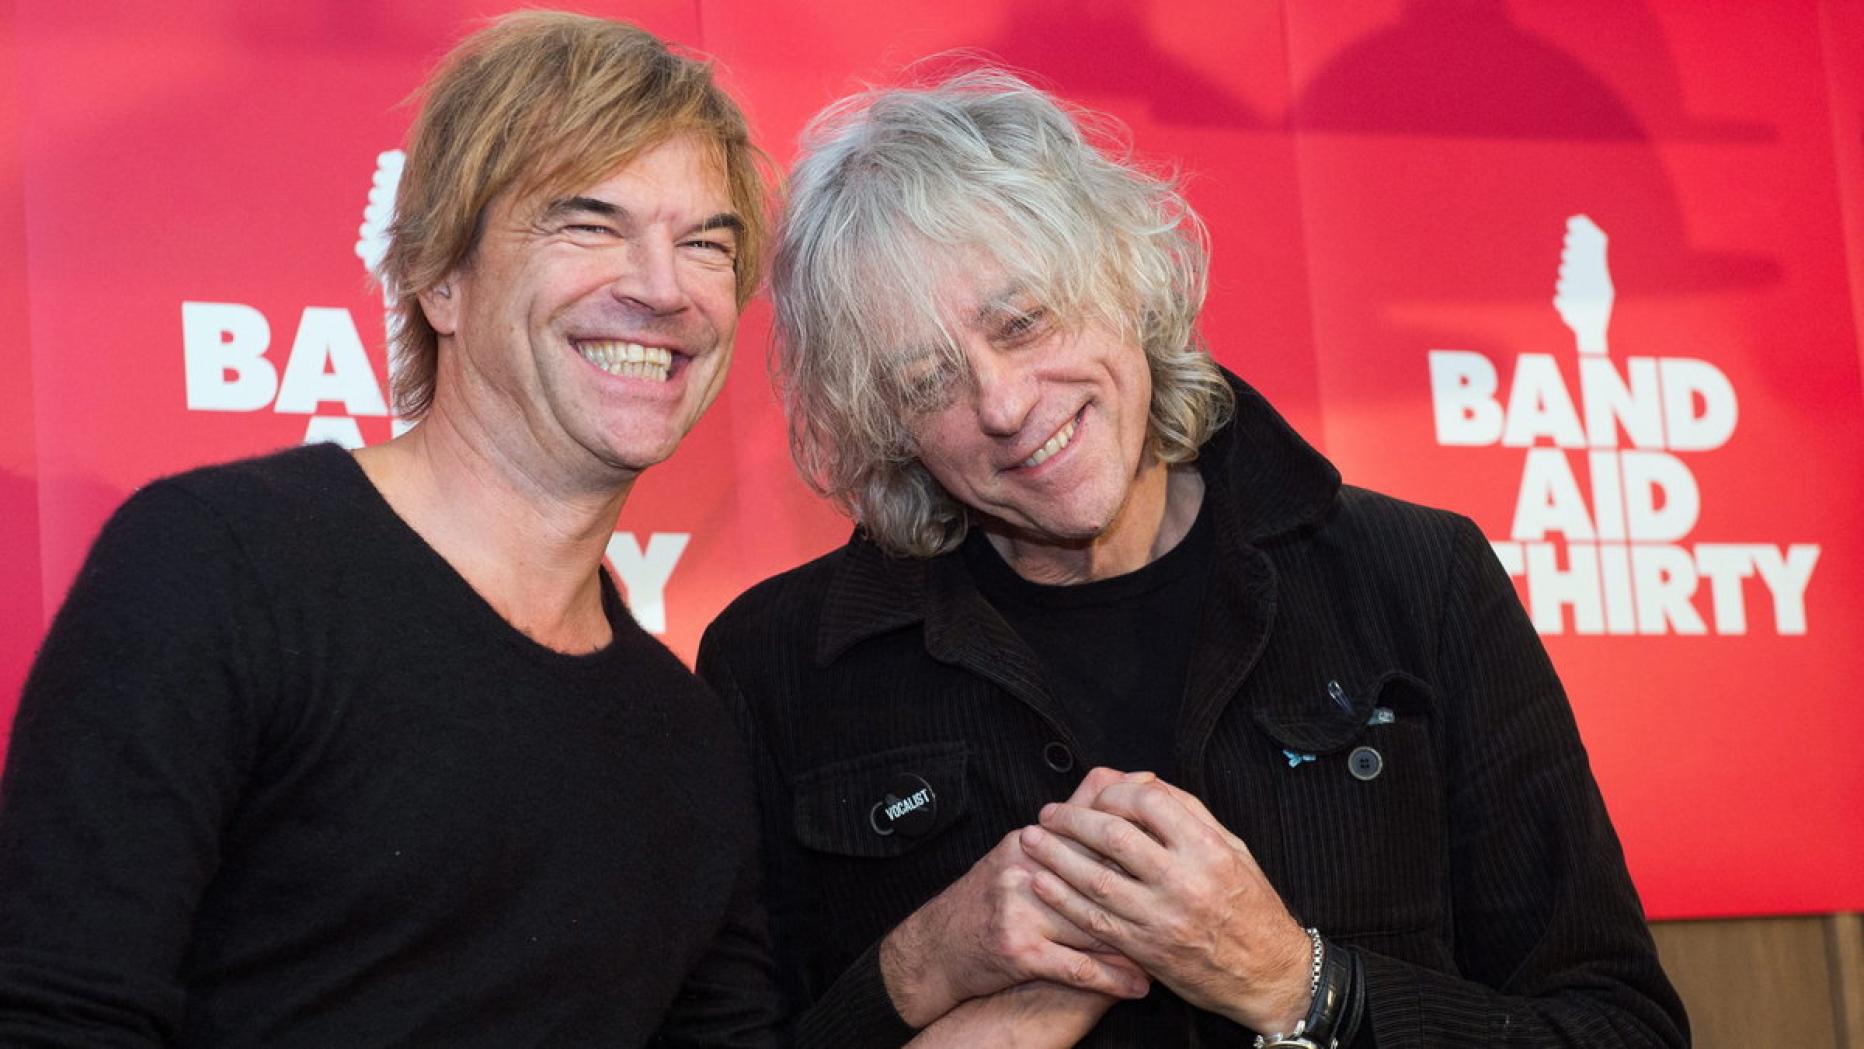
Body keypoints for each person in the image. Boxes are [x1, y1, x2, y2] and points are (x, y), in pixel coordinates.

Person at [699, 71, 1690, 1048]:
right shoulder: (778, 663)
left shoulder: (1416, 580)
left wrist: (1300, 985)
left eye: (1023, 322)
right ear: (887, 428)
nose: (1002, 403)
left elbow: (1620, 1027)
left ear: (1126, 280)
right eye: (928, 382)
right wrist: (923, 962)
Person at [0, 13, 777, 1047]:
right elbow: (54, 1016)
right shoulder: (217, 569)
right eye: (589, 225)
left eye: (706, 244)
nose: (663, 286)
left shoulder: (691, 744)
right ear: (438, 277)